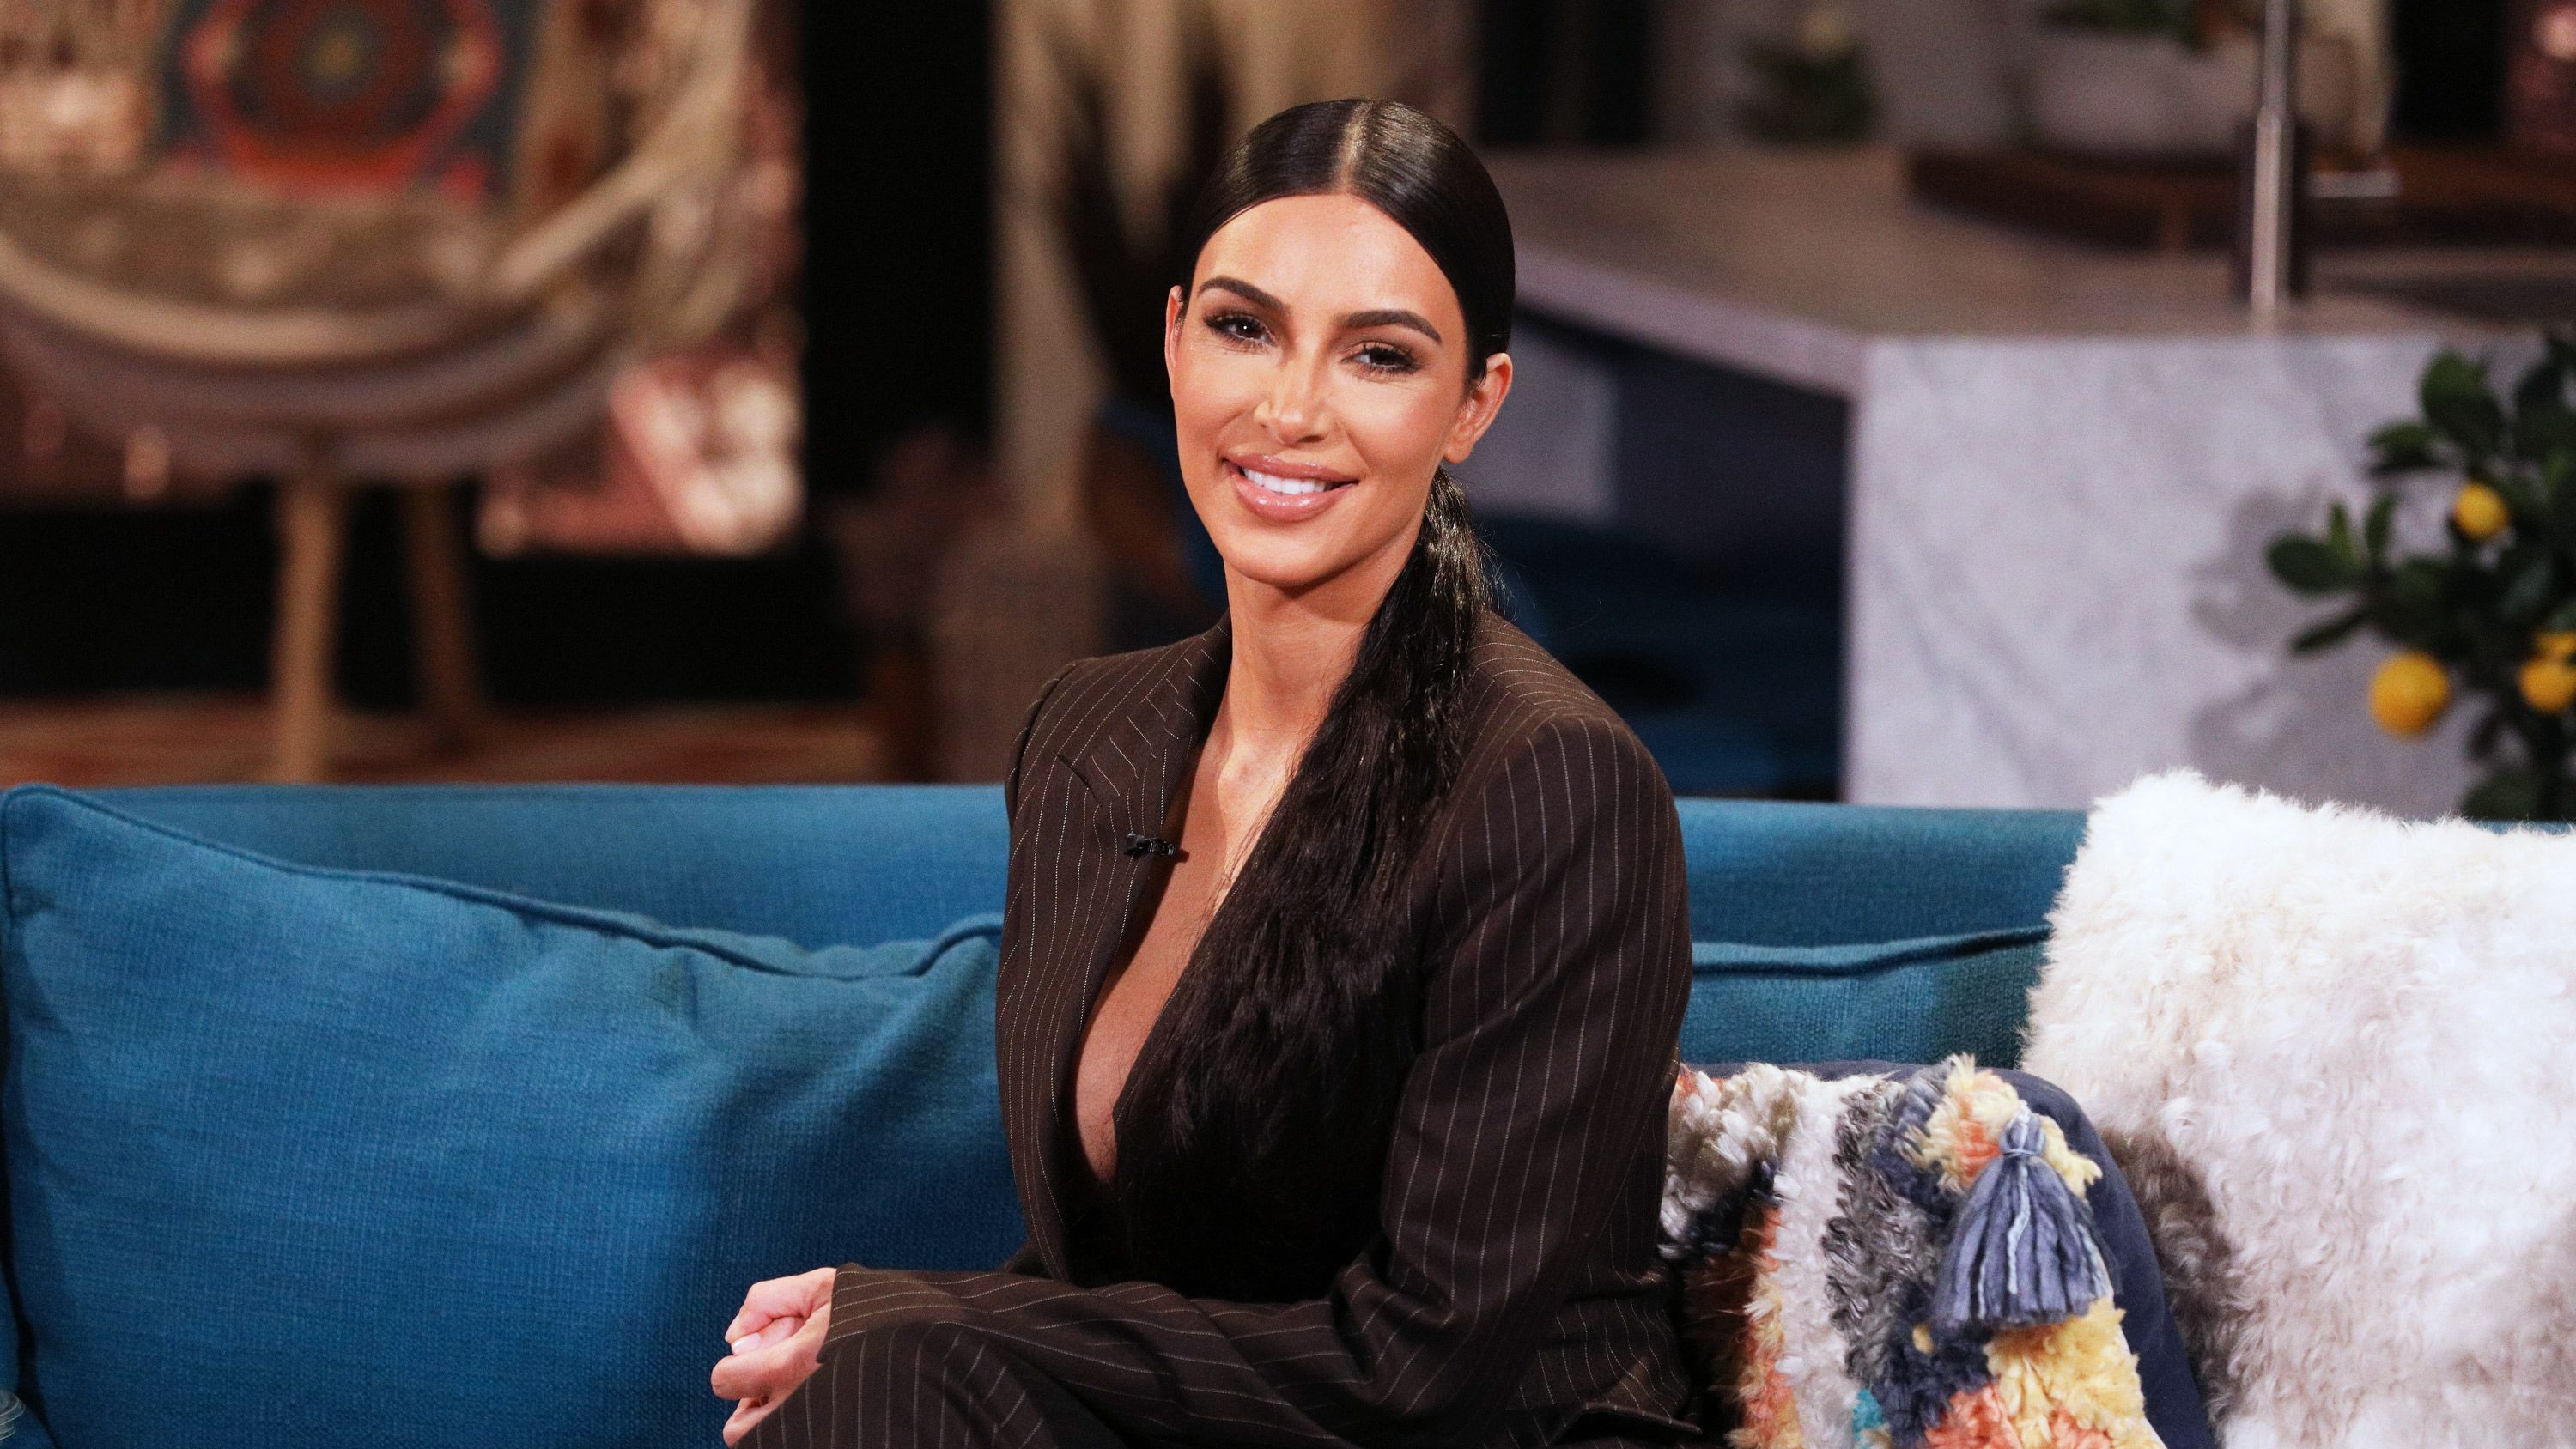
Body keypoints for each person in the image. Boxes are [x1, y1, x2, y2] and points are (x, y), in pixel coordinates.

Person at [706, 95, 1707, 1447]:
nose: (1289, 410)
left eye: (1379, 356)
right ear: (1175, 342)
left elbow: (1421, 1367)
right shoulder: (1088, 733)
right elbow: (1115, 1277)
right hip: (1219, 1424)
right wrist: (921, 1333)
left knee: (890, 1376)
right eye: (1246, 330)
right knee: (873, 1395)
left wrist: (931, 1316)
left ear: (1475, 405)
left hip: (1477, 1432)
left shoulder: (1556, 785)